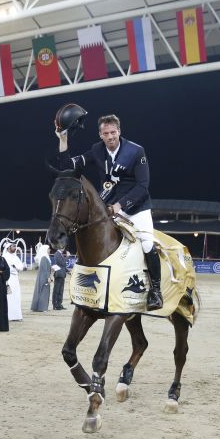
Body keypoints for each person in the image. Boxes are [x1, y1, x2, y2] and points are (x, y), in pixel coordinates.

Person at [55, 109, 164, 310]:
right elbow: (67, 166)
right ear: (100, 135)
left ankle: (156, 291)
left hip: (137, 208)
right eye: (106, 134)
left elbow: (143, 186)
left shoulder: (136, 151)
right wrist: (63, 139)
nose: (110, 137)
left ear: (119, 131)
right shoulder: (97, 150)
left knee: (148, 243)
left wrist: (120, 205)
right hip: (110, 208)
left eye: (113, 132)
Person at [2, 240, 25, 321]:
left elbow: (21, 267)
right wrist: (15, 268)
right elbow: (7, 268)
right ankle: (8, 316)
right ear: (8, 248)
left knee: (16, 296)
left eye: (15, 246)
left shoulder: (15, 257)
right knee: (9, 296)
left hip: (15, 279)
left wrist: (15, 267)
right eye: (13, 247)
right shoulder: (4, 257)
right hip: (8, 279)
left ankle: (16, 316)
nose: (15, 248)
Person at [31, 243, 52, 312]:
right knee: (43, 291)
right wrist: (48, 277)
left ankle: (42, 307)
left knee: (44, 291)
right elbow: (45, 269)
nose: (49, 250)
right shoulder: (44, 258)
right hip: (43, 277)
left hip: (44, 276)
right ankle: (42, 307)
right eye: (48, 249)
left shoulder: (46, 257)